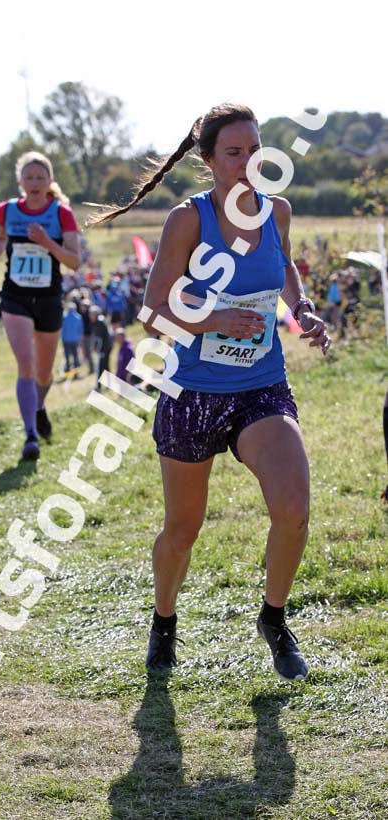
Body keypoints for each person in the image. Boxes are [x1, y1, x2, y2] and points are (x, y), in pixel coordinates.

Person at [89, 103, 331, 682]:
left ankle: (274, 619)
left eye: (255, 150)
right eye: (234, 152)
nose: (248, 162)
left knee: (294, 508)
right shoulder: (189, 220)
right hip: (192, 391)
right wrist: (215, 319)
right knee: (182, 531)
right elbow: (152, 313)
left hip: (261, 387)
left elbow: (284, 265)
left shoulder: (277, 210)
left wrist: (300, 307)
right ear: (208, 159)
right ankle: (164, 620)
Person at [0, 151, 81, 459]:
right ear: (20, 182)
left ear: (50, 180)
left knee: (44, 373)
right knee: (25, 365)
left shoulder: (62, 213)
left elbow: (75, 261)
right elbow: (0, 239)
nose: (35, 183)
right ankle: (30, 435)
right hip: (15, 297)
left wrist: (47, 243)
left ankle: (38, 407)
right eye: (29, 177)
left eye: (40, 177)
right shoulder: (7, 210)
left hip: (49, 298)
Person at [89, 305, 112, 391]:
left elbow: (101, 339)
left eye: (92, 314)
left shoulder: (100, 322)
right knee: (105, 367)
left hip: (104, 349)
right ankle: (105, 385)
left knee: (101, 367)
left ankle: (99, 386)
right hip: (104, 348)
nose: (90, 316)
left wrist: (99, 349)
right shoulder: (98, 322)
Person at [61, 301, 83, 374]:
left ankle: (67, 369)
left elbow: (62, 329)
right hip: (75, 340)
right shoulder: (78, 317)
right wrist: (79, 338)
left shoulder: (64, 317)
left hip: (66, 340)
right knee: (75, 355)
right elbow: (80, 329)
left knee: (67, 356)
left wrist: (62, 338)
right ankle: (76, 371)